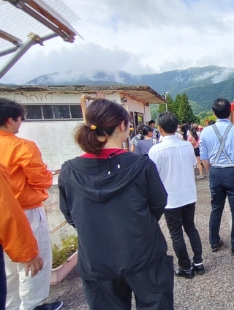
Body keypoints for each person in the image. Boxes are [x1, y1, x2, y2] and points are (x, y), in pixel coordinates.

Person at [58, 98, 173, 310]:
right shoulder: (141, 165)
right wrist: (137, 224)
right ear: (122, 126)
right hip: (144, 255)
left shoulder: (69, 171)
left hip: (96, 260)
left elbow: (71, 215)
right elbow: (158, 204)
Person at [0, 98, 61, 310]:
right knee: (34, 263)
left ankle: (11, 305)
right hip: (26, 211)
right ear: (10, 120)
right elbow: (40, 179)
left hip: (2, 215)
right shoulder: (22, 146)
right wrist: (47, 172)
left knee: (7, 269)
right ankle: (33, 305)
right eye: (20, 119)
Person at [148, 113, 204, 279]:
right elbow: (194, 164)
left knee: (176, 233)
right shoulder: (187, 146)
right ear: (177, 127)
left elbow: (153, 176)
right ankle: (199, 263)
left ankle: (185, 267)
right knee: (190, 227)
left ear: (159, 128)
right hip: (189, 195)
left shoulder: (156, 150)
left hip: (170, 198)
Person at [198, 98, 234, 255]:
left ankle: (214, 242)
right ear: (230, 111)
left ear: (214, 113)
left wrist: (212, 171)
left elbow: (204, 158)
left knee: (216, 208)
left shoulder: (205, 132)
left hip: (216, 172)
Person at [0, 164, 41, 307]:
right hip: (27, 208)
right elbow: (5, 210)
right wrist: (26, 252)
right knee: (30, 272)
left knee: (10, 274)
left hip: (16, 215)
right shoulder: (22, 146)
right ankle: (31, 306)